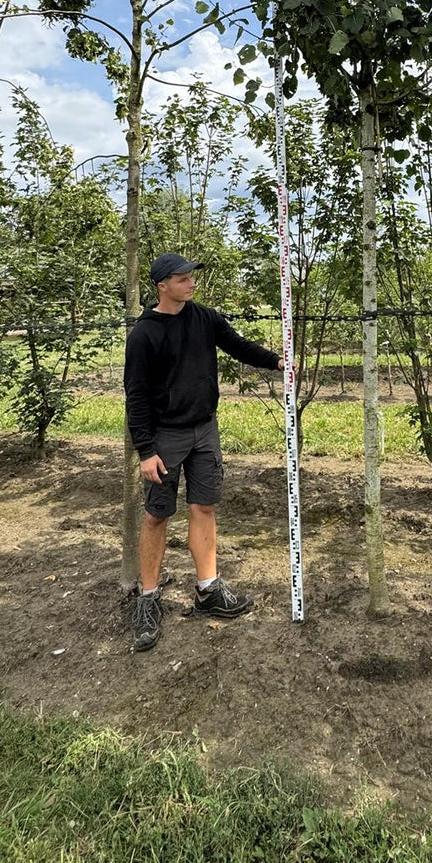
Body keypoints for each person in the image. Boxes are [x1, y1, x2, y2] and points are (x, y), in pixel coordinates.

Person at [124, 252, 288, 653]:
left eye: (191, 277)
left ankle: (207, 589)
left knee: (205, 508)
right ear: (162, 285)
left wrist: (278, 362)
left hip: (205, 431)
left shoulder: (204, 318)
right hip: (165, 437)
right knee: (156, 515)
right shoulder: (144, 334)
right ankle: (147, 599)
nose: (191, 283)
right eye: (182, 279)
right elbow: (137, 396)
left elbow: (237, 345)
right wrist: (146, 450)